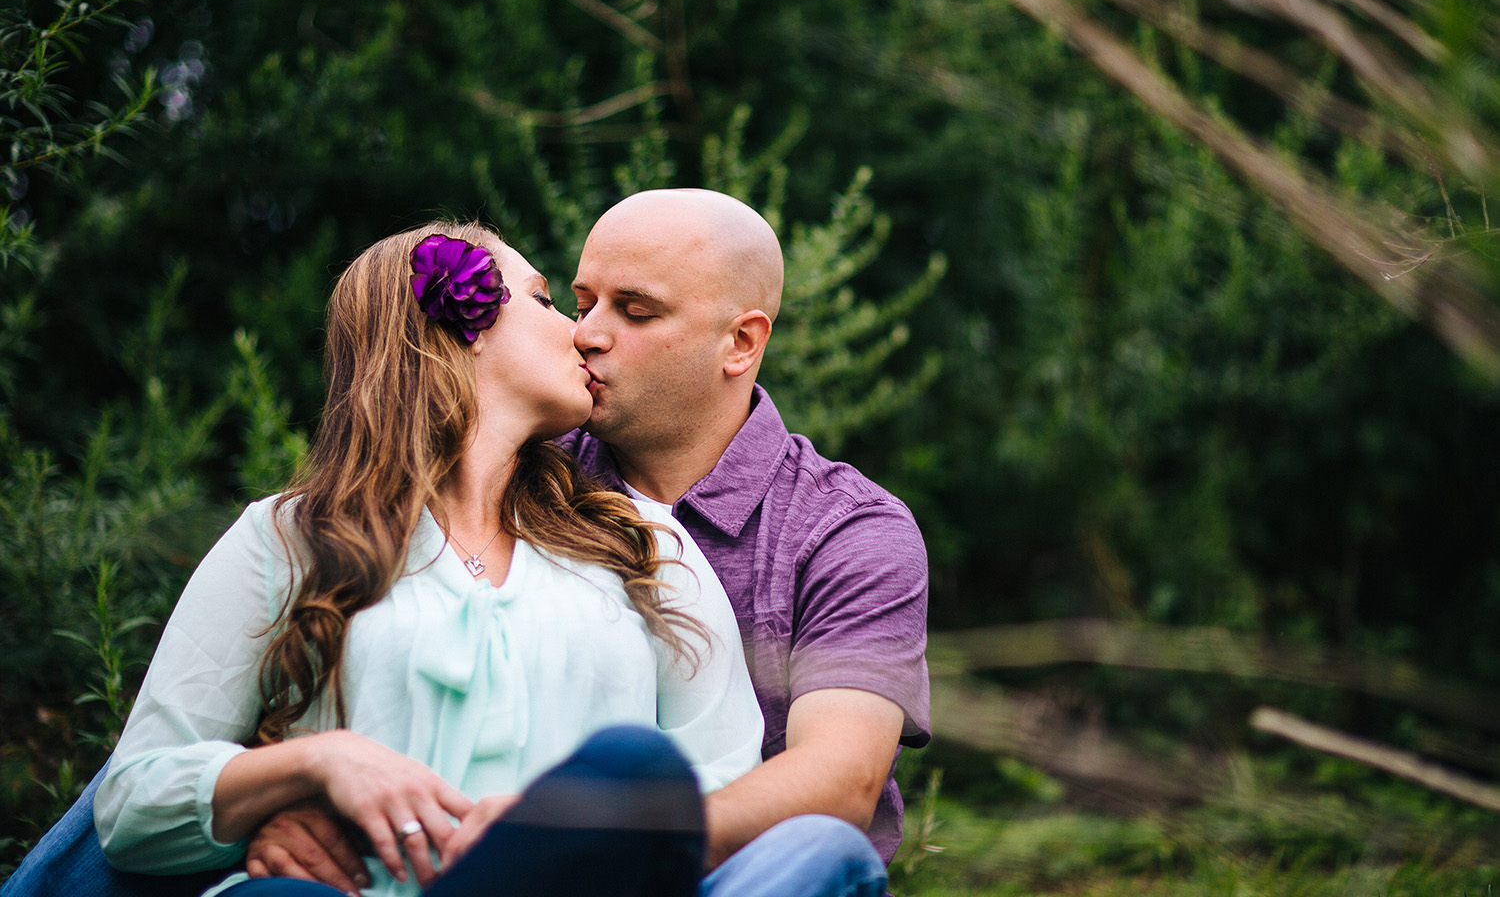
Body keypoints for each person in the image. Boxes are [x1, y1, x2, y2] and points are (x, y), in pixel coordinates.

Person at [4, 222, 763, 897]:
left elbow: (723, 779)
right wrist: (314, 766)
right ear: (463, 328)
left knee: (636, 768)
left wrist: (557, 823)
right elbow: (133, 802)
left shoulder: (646, 545)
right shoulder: (290, 537)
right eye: (545, 300)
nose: (583, 333)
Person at [248, 189, 930, 897]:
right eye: (580, 303)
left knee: (820, 849)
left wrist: (594, 838)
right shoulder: (519, 471)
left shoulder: (847, 530)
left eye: (635, 311)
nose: (586, 334)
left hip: (726, 879)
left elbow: (842, 782)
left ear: (741, 342)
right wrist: (279, 800)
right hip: (454, 865)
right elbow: (328, 648)